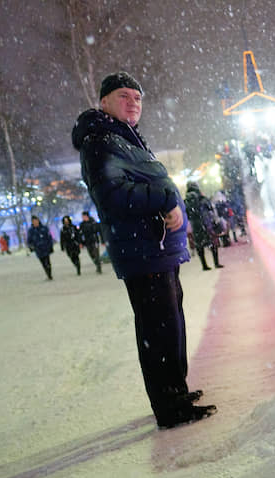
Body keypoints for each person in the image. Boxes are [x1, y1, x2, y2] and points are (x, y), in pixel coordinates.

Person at [71, 71, 216, 428]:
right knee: (158, 328)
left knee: (172, 323)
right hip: (141, 250)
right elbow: (113, 195)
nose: (133, 102)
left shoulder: (127, 138)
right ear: (104, 101)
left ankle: (176, 391)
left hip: (157, 247)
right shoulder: (100, 140)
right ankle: (170, 408)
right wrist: (166, 197)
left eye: (138, 97)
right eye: (124, 96)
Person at [184, 181, 224, 271]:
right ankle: (216, 263)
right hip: (206, 223)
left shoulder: (186, 201)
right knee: (212, 243)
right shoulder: (202, 197)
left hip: (195, 226)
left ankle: (204, 265)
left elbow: (185, 213)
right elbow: (210, 208)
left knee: (199, 245)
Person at [27, 215, 54, 280]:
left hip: (46, 248)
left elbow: (49, 237)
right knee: (43, 263)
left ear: (38, 221)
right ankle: (47, 273)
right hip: (38, 249)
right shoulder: (31, 231)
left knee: (47, 262)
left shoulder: (44, 228)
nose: (35, 222)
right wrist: (31, 247)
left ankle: (49, 274)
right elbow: (29, 241)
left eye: (36, 221)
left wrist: (50, 246)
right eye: (33, 221)